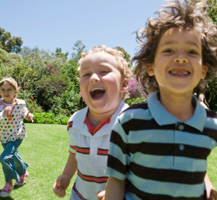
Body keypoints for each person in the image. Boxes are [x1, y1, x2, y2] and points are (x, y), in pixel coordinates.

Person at [105, 0, 217, 199]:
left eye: (192, 51)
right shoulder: (129, 122)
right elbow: (116, 180)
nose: (181, 58)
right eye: (168, 50)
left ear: (203, 70)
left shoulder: (211, 124)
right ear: (150, 67)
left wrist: (207, 184)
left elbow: (195, 164)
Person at [52, 45, 132, 200]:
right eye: (86, 74)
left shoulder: (133, 123)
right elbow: (75, 155)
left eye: (104, 71)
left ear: (124, 84)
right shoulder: (75, 122)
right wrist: (66, 176)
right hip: (79, 195)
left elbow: (139, 170)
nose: (94, 78)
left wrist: (117, 191)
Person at [0, 77, 34, 197]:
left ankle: (8, 183)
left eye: (9, 89)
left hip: (17, 135)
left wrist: (29, 116)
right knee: (14, 156)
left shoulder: (20, 103)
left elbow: (24, 111)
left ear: (15, 91)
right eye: (3, 89)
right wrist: (3, 113)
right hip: (4, 136)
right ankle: (23, 172)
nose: (6, 92)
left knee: (4, 157)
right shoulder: (0, 104)